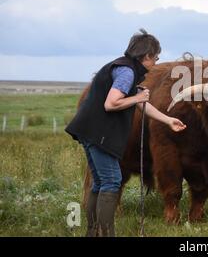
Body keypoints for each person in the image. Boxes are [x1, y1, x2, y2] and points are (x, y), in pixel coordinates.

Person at [65, 28, 186, 237]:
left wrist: (168, 120)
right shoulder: (126, 72)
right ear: (146, 56)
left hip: (90, 131)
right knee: (111, 182)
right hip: (99, 135)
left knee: (100, 182)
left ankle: (93, 232)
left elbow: (141, 104)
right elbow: (112, 103)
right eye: (155, 58)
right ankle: (106, 232)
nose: (156, 63)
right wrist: (137, 98)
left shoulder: (123, 67)